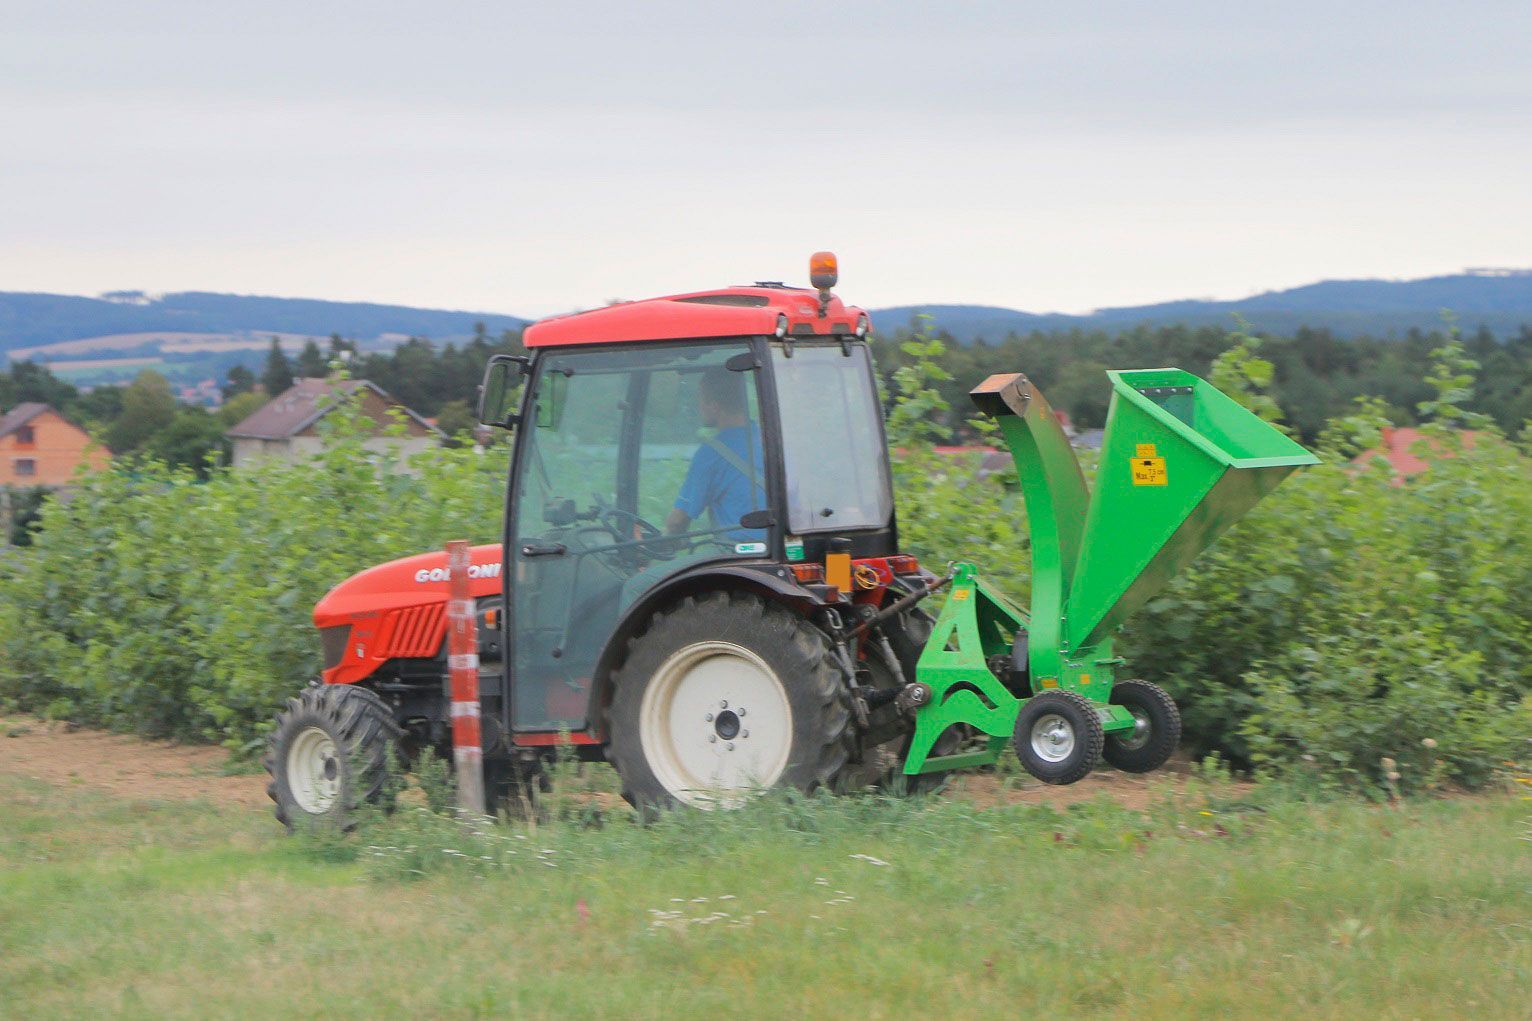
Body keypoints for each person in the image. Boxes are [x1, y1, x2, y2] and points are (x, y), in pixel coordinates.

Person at [665, 367, 765, 541]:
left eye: (701, 400)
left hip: (737, 555)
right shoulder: (769, 440)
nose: (699, 407)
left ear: (714, 407)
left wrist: (656, 543)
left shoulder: (710, 455)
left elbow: (677, 521)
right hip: (776, 549)